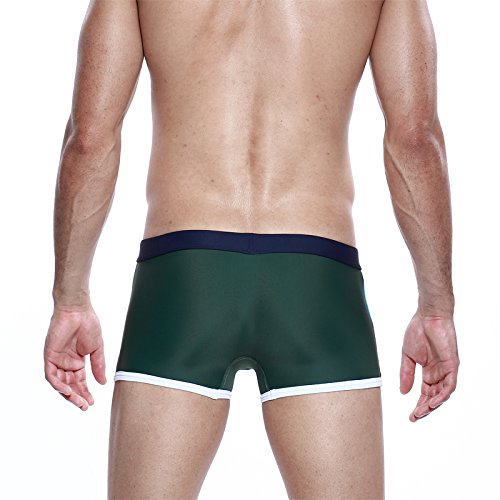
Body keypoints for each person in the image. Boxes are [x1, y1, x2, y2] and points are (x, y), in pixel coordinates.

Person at [43, 1, 460, 498]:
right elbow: (415, 140)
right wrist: (436, 307)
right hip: (316, 281)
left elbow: (89, 138)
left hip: (183, 278)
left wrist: (70, 298)